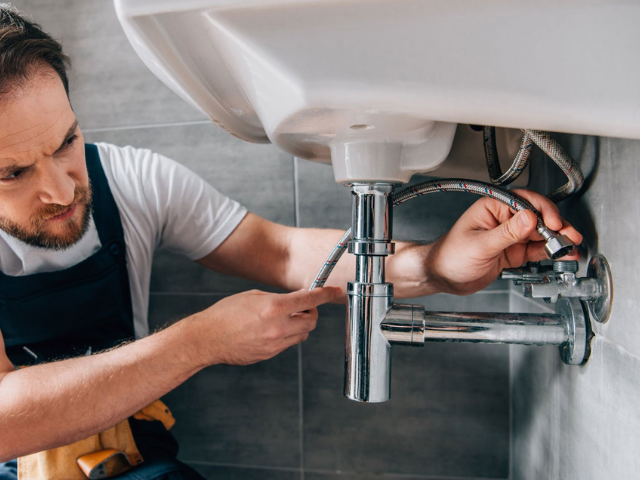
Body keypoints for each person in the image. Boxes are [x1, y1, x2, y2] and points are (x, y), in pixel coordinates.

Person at [0, 6, 582, 480]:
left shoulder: (129, 180)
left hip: (127, 458)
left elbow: (280, 253)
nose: (60, 189)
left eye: (66, 141)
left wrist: (436, 265)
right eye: (12, 173)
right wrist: (200, 341)